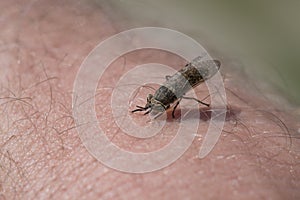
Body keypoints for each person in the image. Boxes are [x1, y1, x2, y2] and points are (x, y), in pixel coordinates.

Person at [0, 1, 299, 199]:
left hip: (186, 81)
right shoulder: (164, 97)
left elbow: (174, 99)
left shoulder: (171, 97)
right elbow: (168, 99)